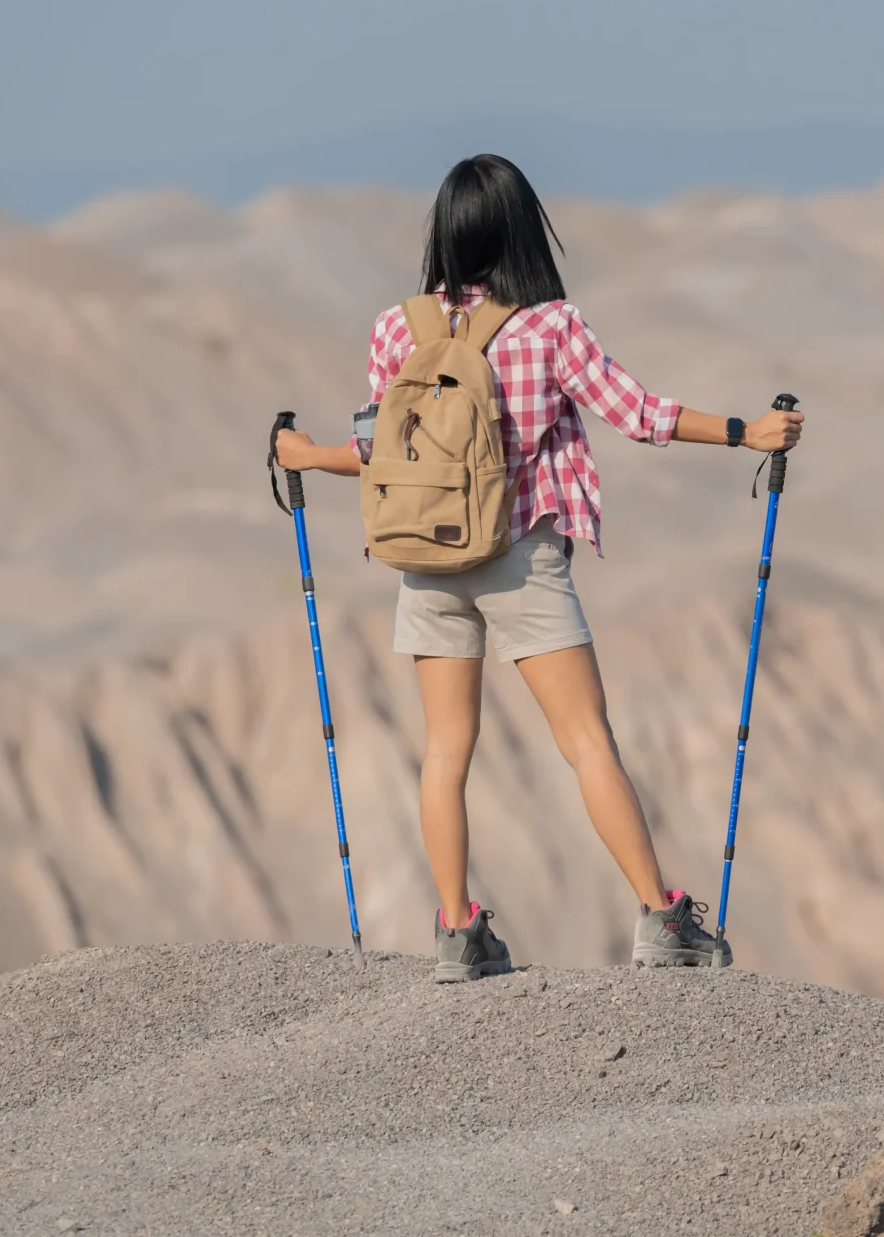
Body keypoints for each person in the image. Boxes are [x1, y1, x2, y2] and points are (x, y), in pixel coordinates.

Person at [273, 153, 803, 982]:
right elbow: (639, 414)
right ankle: (662, 918)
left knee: (445, 750)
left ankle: (456, 931)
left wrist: (303, 455)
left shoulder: (394, 330)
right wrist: (747, 432)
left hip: (428, 561)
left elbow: (376, 453)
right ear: (522, 230)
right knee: (587, 739)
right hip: (521, 558)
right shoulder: (550, 327)